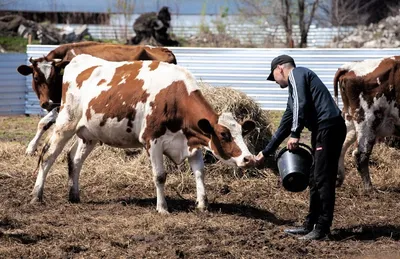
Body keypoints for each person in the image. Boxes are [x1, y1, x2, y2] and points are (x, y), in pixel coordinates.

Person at [255, 55, 346, 240]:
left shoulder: (297, 74)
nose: (275, 82)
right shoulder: (294, 93)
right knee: (314, 178)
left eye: (274, 76)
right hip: (322, 130)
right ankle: (310, 224)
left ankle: (322, 229)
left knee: (322, 178)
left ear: (280, 68)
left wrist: (296, 134)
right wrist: (265, 153)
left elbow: (301, 106)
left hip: (329, 127)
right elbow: (284, 125)